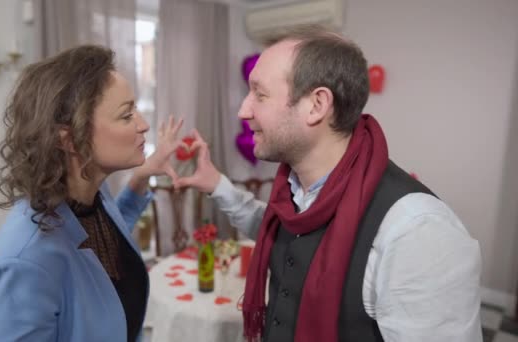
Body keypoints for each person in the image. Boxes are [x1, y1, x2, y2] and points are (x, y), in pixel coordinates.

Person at [177, 25, 482, 342]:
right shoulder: (295, 188)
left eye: (260, 94)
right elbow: (280, 235)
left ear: (316, 105)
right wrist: (216, 184)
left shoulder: (418, 231)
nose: (243, 110)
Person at [0, 45, 185, 341]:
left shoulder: (90, 193)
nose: (143, 124)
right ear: (70, 139)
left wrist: (141, 177)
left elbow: (109, 238)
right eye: (127, 115)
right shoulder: (24, 263)